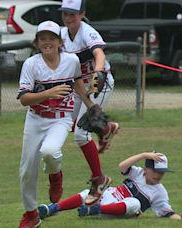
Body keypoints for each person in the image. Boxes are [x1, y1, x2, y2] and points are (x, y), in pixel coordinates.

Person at [16, 20, 101, 228]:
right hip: (35, 118)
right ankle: (31, 215)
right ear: (36, 42)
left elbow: (78, 82)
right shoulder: (31, 64)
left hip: (62, 118)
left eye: (51, 38)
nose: (47, 42)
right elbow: (24, 99)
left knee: (50, 151)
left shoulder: (71, 61)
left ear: (60, 42)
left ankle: (56, 176)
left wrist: (90, 105)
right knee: (27, 169)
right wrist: (48, 93)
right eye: (42, 38)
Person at [57, 0, 118, 207]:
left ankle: (99, 179)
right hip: (79, 87)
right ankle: (106, 128)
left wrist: (99, 71)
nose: (67, 17)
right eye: (65, 12)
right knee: (67, 122)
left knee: (81, 135)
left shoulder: (86, 31)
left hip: (97, 85)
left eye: (72, 13)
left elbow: (99, 53)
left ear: (82, 14)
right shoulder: (62, 34)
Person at [37, 151, 182, 221]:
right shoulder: (137, 173)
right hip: (111, 196)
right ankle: (53, 209)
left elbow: (167, 213)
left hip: (118, 211)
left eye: (162, 172)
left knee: (135, 203)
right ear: (145, 169)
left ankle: (93, 210)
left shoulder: (160, 192)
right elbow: (122, 166)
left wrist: (181, 219)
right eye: (155, 170)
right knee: (89, 192)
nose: (159, 175)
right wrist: (144, 155)